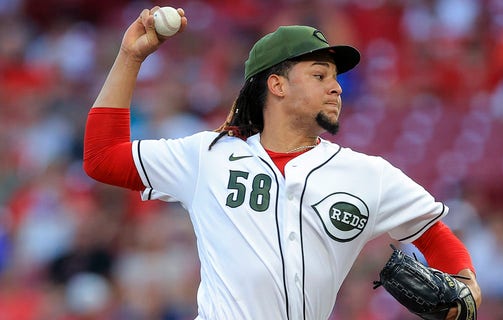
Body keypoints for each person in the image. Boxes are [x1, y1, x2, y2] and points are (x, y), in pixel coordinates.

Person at [83, 6, 482, 320]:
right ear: (277, 84)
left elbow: (432, 234)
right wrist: (129, 57)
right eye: (319, 74)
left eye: (334, 76)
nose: (336, 86)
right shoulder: (209, 156)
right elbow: (102, 158)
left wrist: (467, 282)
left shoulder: (368, 175)